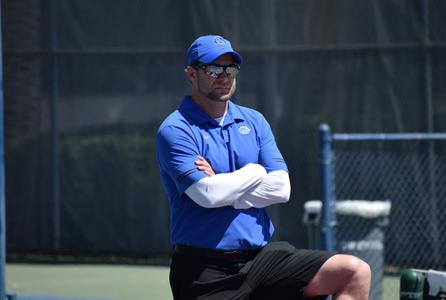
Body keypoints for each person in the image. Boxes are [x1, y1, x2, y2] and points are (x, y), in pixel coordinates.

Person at [156, 35, 371, 300]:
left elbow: (281, 189)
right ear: (191, 73)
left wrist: (225, 186)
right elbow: (207, 195)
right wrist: (255, 173)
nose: (223, 76)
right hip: (204, 271)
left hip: (262, 260)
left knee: (354, 271)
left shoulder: (254, 121)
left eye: (230, 68)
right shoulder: (175, 130)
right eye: (212, 69)